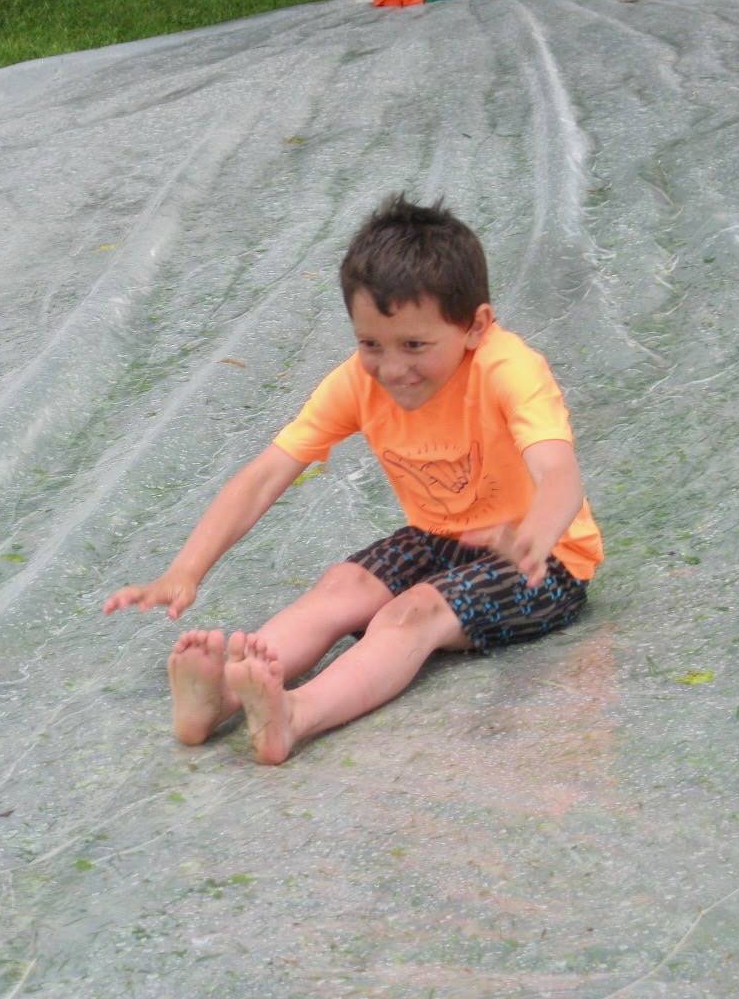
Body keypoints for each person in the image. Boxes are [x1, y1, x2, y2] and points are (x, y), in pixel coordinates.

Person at [104, 195, 603, 766]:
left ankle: (297, 714)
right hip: (438, 536)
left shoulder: (508, 368)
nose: (392, 369)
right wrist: (185, 569)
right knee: (341, 589)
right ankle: (218, 701)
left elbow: (559, 471)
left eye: (415, 345)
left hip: (545, 560)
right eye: (371, 344)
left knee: (409, 614)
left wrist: (535, 534)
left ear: (476, 326)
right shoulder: (357, 382)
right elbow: (268, 473)